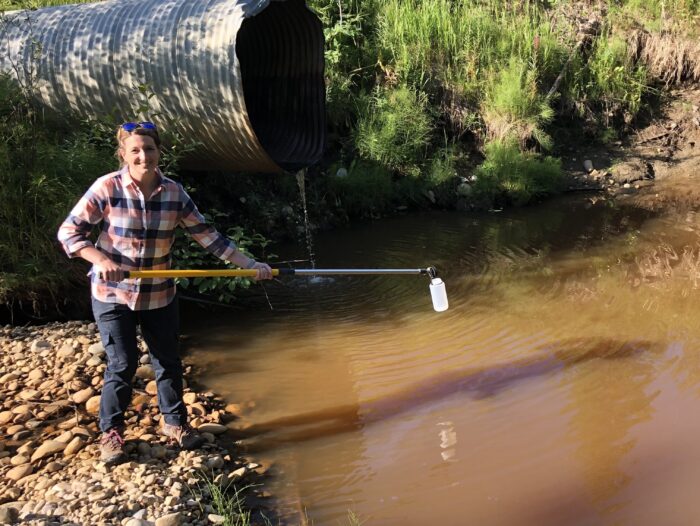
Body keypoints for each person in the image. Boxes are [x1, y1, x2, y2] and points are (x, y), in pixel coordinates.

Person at [57, 121, 273, 465]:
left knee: (168, 361)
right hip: (113, 293)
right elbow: (69, 233)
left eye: (150, 149)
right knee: (122, 364)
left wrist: (249, 264)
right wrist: (99, 259)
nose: (144, 156)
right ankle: (111, 433)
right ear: (124, 154)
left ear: (159, 152)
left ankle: (175, 424)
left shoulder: (174, 192)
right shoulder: (107, 187)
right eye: (136, 150)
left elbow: (208, 237)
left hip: (159, 294)